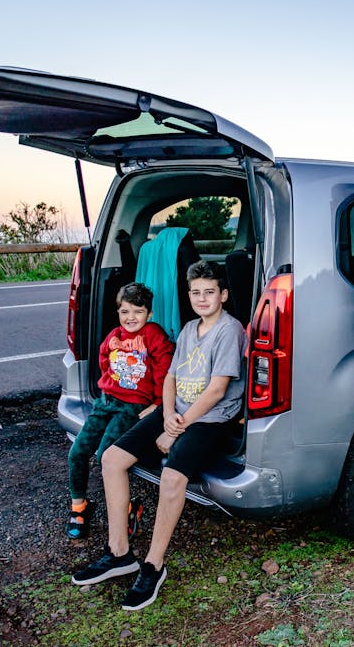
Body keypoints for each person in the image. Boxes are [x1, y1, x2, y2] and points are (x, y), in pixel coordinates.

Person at [71, 261, 247, 610]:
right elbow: (169, 378)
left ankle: (153, 564)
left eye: (209, 292)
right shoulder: (187, 330)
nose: (202, 298)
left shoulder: (230, 330)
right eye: (195, 292)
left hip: (210, 419)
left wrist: (176, 428)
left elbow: (216, 391)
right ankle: (119, 552)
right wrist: (166, 415)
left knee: (171, 477)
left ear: (223, 295)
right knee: (111, 459)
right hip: (176, 412)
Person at [66, 282, 173, 540]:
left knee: (106, 456)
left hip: (132, 407)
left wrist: (157, 405)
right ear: (118, 313)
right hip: (106, 402)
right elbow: (104, 360)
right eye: (125, 312)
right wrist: (108, 387)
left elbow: (165, 371)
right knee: (77, 452)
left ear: (148, 314)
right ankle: (79, 505)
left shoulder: (154, 336)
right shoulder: (114, 335)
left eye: (137, 311)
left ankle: (127, 507)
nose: (130, 318)